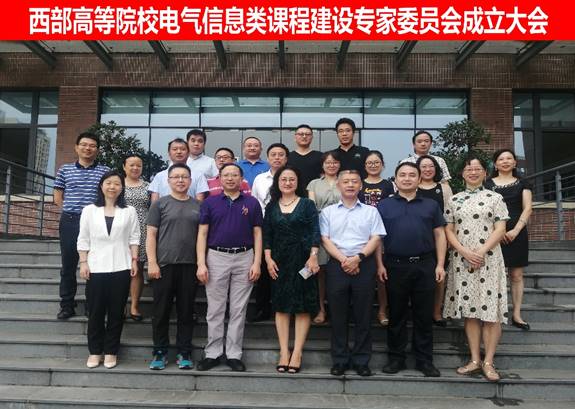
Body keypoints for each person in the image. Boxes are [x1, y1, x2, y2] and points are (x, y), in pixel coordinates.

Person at [443, 155, 509, 382]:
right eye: (468, 169)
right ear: (462, 173)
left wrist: (480, 252)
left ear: (485, 173)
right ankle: (474, 359)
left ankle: (488, 361)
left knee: (490, 312)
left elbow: (500, 229)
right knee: (471, 312)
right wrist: (464, 252)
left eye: (477, 168)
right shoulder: (454, 200)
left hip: (489, 260)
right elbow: (448, 230)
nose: (472, 172)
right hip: (462, 260)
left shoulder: (495, 197)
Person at [377, 162, 447, 378]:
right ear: (395, 179)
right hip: (394, 266)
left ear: (419, 179)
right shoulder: (384, 206)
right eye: (402, 175)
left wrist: (440, 264)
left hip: (425, 265)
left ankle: (424, 361)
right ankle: (396, 358)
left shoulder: (431, 205)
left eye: (411, 175)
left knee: (423, 316)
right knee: (396, 315)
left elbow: (440, 235)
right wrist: (379, 264)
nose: (407, 178)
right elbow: (377, 239)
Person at [196, 163, 263, 372]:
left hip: (245, 257)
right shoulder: (210, 202)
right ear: (220, 178)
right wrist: (201, 263)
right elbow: (202, 234)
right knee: (215, 309)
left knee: (238, 309)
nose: (230, 178)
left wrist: (257, 262)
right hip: (216, 256)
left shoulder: (251, 203)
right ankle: (213, 353)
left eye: (235, 175)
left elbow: (258, 234)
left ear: (242, 179)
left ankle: (234, 354)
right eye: (226, 175)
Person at [320, 169, 386, 377]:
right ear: (338, 185)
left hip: (364, 264)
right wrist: (344, 260)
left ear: (360, 186)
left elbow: (376, 238)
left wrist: (357, 258)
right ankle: (340, 359)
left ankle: (361, 360)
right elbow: (325, 239)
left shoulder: (371, 211)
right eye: (346, 181)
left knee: (363, 315)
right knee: (337, 315)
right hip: (337, 265)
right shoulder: (328, 212)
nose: (350, 185)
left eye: (354, 182)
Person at [77, 170, 140, 369]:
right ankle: (95, 351)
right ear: (101, 186)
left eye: (117, 183)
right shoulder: (89, 210)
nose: (112, 187)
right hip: (96, 267)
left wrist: (134, 260)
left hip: (121, 266)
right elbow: (83, 238)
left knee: (116, 312)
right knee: (96, 311)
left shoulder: (129, 211)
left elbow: (134, 238)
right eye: (108, 183)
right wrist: (83, 262)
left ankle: (111, 351)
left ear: (122, 188)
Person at [263, 165, 320, 374]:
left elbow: (315, 231)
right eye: (283, 179)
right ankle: (283, 352)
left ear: (298, 182)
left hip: (303, 261)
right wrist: (268, 259)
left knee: (302, 306)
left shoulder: (307, 204)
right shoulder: (271, 206)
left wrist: (313, 256)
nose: (287, 183)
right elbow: (267, 234)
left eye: (292, 179)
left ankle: (297, 352)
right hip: (279, 261)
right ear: (277, 182)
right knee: (281, 305)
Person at [146, 163, 201, 370]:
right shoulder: (159, 204)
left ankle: (184, 351)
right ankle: (159, 352)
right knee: (161, 312)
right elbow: (151, 235)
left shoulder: (199, 206)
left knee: (186, 312)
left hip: (190, 266)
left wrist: (201, 264)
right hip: (164, 265)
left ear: (190, 181)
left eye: (184, 177)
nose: (180, 180)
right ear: (168, 181)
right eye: (176, 177)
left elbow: (203, 236)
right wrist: (152, 262)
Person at [53, 132, 109, 319]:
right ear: (76, 147)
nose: (88, 148)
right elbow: (57, 196)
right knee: (68, 265)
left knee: (94, 265)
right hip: (71, 221)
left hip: (95, 222)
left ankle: (91, 305)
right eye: (84, 144)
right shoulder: (65, 169)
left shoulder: (104, 171)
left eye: (92, 145)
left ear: (97, 150)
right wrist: (69, 210)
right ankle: (67, 305)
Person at [485, 149, 533, 330]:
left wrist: (515, 231)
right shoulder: (487, 184)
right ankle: (492, 311)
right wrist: (497, 232)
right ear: (495, 164)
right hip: (492, 234)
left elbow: (527, 208)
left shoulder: (523, 183)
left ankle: (517, 314)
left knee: (516, 275)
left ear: (514, 163)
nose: (505, 161)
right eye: (501, 159)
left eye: (509, 158)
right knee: (492, 275)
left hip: (516, 233)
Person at [249, 142, 289, 322]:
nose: (277, 158)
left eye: (281, 154)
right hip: (264, 227)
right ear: (268, 158)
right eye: (273, 154)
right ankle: (262, 309)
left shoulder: (291, 177)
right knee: (264, 270)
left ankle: (285, 308)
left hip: (287, 227)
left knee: (285, 269)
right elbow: (255, 203)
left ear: (286, 158)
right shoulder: (260, 179)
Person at [416, 155, 453, 327]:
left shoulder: (444, 188)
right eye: (423, 166)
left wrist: (450, 237)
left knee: (439, 275)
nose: (427, 169)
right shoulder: (412, 186)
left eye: (431, 166)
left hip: (439, 237)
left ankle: (437, 311)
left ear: (436, 169)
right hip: (418, 238)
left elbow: (450, 215)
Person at [359, 150, 395, 327]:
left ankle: (382, 310)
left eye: (376, 162)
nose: (373, 165)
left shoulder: (388, 185)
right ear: (364, 166)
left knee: (381, 275)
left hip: (383, 233)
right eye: (369, 163)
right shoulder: (359, 183)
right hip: (361, 233)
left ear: (382, 164)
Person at [307, 151, 342, 324]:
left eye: (335, 162)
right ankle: (321, 309)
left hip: (342, 229)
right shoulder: (314, 184)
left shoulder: (345, 181)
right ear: (322, 165)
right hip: (320, 228)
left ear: (339, 164)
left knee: (338, 269)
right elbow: (312, 207)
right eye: (328, 162)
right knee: (320, 271)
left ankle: (338, 309)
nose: (331, 165)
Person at [123, 154, 150, 321]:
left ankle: (134, 306)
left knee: (137, 269)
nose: (135, 168)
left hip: (142, 230)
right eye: (131, 165)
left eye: (138, 165)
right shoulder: (117, 184)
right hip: (120, 229)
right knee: (119, 269)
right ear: (124, 167)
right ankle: (119, 305)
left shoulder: (148, 186)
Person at [148, 138, 209, 202]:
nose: (179, 152)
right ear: (169, 153)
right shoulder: (159, 176)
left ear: (188, 153)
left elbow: (199, 203)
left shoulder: (198, 176)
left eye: (183, 149)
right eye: (175, 149)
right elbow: (154, 203)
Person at [287, 124, 322, 189]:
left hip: (315, 192)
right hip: (293, 192)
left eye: (307, 134)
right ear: (295, 137)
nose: (304, 136)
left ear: (312, 137)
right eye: (301, 134)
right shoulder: (287, 157)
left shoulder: (321, 156)